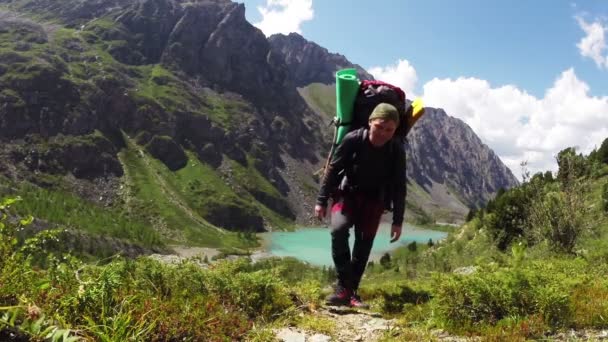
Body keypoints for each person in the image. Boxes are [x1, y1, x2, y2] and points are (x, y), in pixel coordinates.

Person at [315, 102, 406, 308]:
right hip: (347, 194)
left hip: (375, 202)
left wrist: (397, 221)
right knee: (338, 230)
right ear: (370, 122)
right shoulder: (353, 139)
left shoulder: (396, 150)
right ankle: (343, 287)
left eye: (389, 129)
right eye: (379, 127)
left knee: (363, 246)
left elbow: (400, 187)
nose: (383, 133)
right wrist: (321, 200)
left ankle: (351, 292)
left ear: (395, 130)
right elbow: (333, 169)